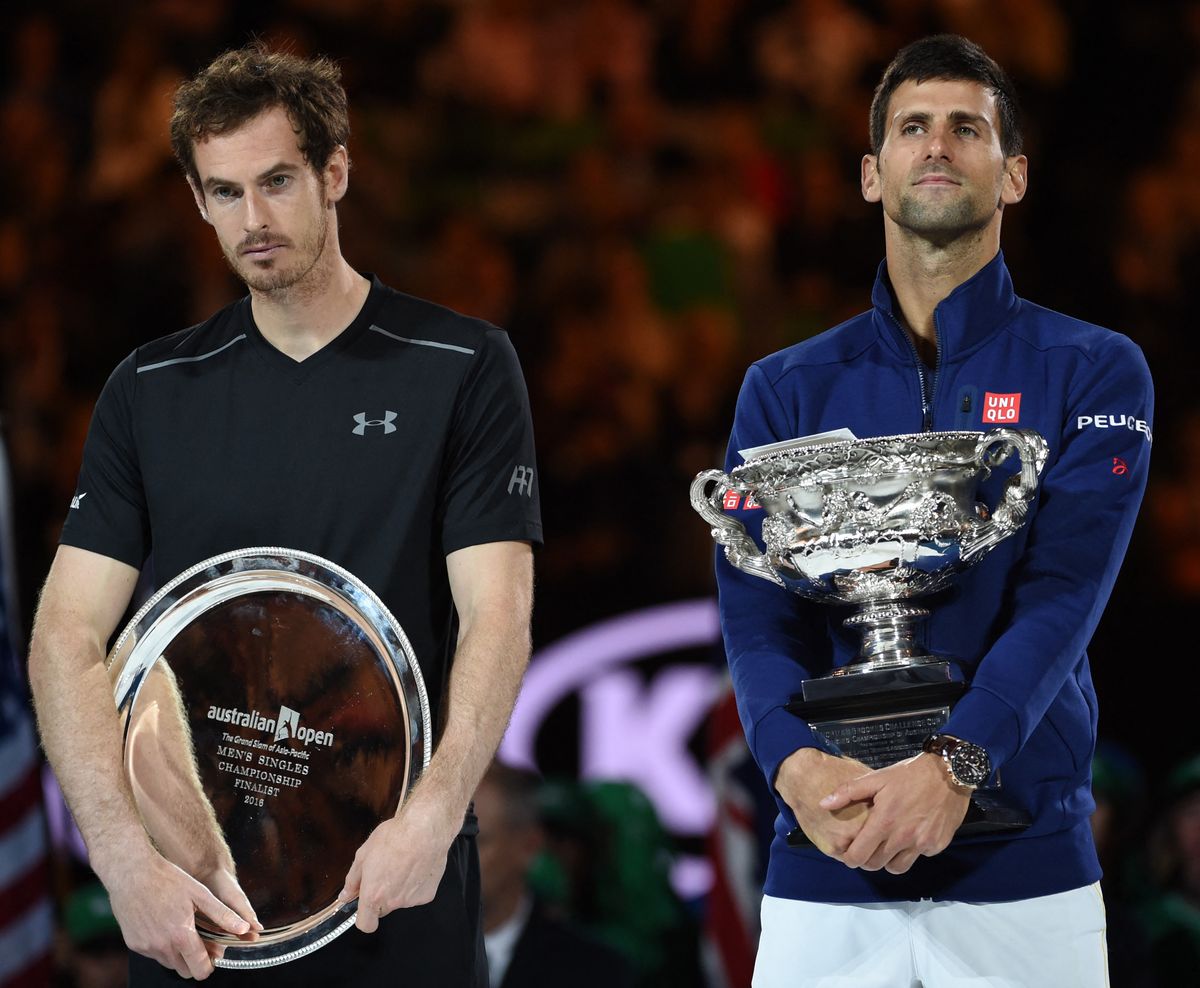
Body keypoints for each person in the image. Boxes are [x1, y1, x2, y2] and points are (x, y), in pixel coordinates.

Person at [27, 44, 540, 986]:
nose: (253, 221)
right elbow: (64, 632)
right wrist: (121, 859)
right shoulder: (149, 388)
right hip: (196, 902)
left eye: (276, 182)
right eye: (224, 193)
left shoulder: (460, 366)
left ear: (335, 171)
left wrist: (431, 817)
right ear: (196, 200)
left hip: (395, 871)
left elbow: (498, 614)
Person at [714, 34, 1152, 986]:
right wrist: (794, 767)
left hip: (1024, 866)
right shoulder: (783, 388)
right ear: (872, 175)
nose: (939, 146)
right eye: (913, 128)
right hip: (828, 857)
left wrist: (958, 764)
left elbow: (1064, 595)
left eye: (967, 127)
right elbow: (754, 616)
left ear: (1016, 174)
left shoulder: (1095, 367)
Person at [473, 762, 635, 988]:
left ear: (528, 846)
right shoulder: (409, 952)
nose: (448, 861)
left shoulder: (597, 972)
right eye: (442, 844)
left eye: (474, 842)